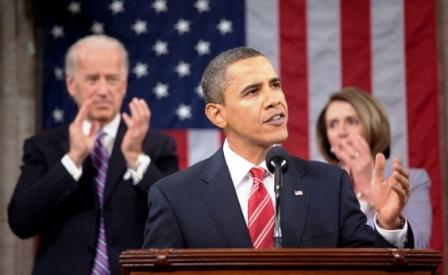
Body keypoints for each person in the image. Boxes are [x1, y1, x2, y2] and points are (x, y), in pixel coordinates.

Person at [142, 47, 414, 249]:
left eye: (275, 85)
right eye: (253, 91)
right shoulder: (175, 197)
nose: (274, 100)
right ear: (217, 115)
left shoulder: (330, 185)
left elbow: (367, 267)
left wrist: (388, 225)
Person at [7, 35, 178, 275]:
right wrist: (72, 160)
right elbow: (21, 223)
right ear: (70, 84)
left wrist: (135, 158)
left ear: (125, 84)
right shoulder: (43, 147)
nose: (103, 90)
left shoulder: (156, 145)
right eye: (92, 79)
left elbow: (176, 217)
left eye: (112, 79)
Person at [315, 86, 432, 248]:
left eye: (351, 121)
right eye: (333, 124)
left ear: (373, 126)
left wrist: (368, 187)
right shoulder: (315, 186)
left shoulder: (413, 180)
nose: (341, 132)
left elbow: (420, 247)